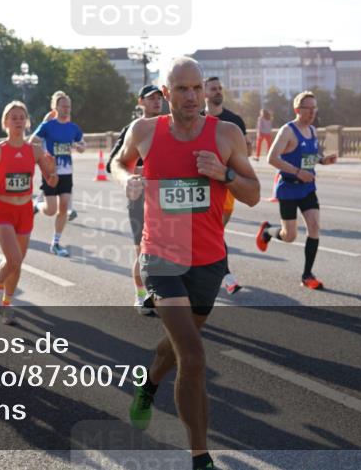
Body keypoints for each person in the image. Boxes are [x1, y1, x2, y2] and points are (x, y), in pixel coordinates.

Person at [112, 57, 259, 470]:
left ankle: (148, 384)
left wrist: (223, 175)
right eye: (182, 89)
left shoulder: (227, 135)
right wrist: (129, 181)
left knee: (179, 347)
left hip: (209, 261)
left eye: (197, 88)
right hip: (161, 257)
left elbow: (253, 194)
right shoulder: (145, 131)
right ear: (165, 93)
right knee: (193, 356)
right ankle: (200, 456)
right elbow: (117, 163)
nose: (192, 96)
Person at [0, 101, 59, 325]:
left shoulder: (34, 151)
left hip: (25, 210)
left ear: (26, 122)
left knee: (16, 262)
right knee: (13, 258)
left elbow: (52, 181)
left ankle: (6, 304)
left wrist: (52, 171)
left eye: (21, 117)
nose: (17, 121)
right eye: (13, 117)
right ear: (5, 122)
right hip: (2, 209)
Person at [257, 91, 338, 289]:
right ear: (297, 110)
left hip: (308, 187)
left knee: (314, 227)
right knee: (289, 236)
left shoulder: (312, 130)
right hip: (289, 189)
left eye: (314, 108)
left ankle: (307, 275)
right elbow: (272, 157)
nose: (312, 112)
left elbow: (312, 155)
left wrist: (323, 160)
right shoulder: (288, 131)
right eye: (308, 108)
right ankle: (267, 231)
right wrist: (297, 172)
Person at [107, 83, 164, 314]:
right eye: (151, 98)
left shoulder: (169, 126)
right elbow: (112, 163)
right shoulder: (132, 129)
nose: (156, 102)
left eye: (159, 98)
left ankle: (161, 293)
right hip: (140, 197)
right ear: (140, 102)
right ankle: (140, 294)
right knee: (142, 250)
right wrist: (135, 176)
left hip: (165, 198)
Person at [204, 76, 252, 295]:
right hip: (202, 184)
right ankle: (227, 276)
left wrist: (246, 149)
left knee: (216, 231)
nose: (218, 92)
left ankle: (216, 272)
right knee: (211, 231)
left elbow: (244, 155)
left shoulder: (234, 121)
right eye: (213, 89)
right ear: (203, 93)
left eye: (219, 88)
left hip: (227, 184)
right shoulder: (195, 119)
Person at [31, 91, 86, 257]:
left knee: (63, 207)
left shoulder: (73, 128)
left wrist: (80, 147)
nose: (66, 109)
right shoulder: (47, 126)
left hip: (67, 173)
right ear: (55, 108)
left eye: (68, 106)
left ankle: (55, 243)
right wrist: (43, 156)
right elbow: (32, 141)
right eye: (63, 106)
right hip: (51, 171)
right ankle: (36, 205)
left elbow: (82, 143)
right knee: (50, 210)